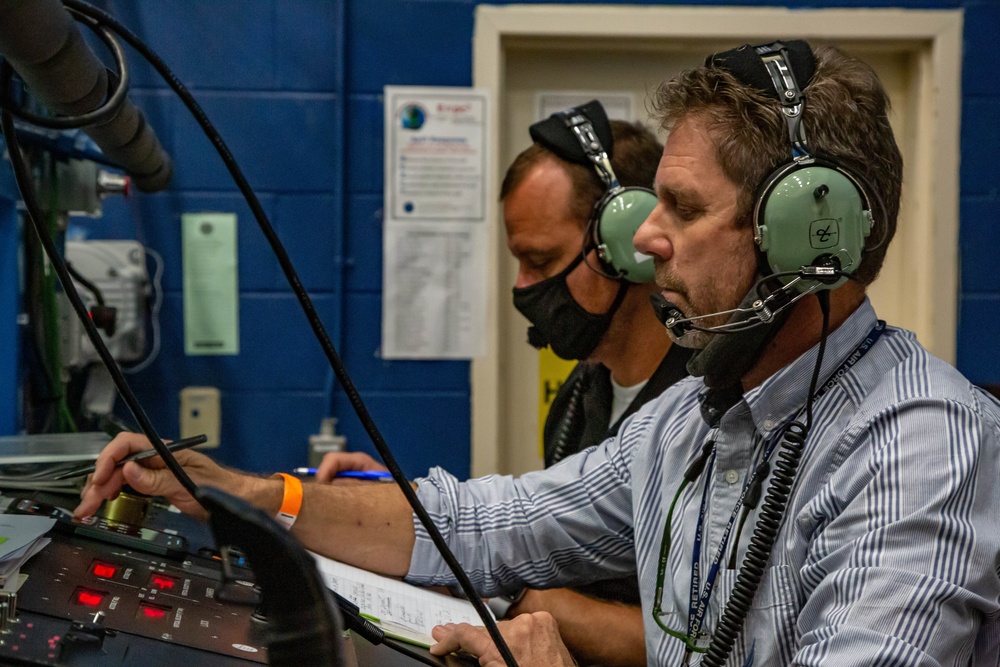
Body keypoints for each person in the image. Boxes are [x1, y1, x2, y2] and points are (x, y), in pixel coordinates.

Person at [76, 41, 1000, 666]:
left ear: (810, 236)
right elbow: (486, 524)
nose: (646, 244)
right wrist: (234, 491)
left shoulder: (919, 448)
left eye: (681, 209)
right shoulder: (691, 421)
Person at [315, 115, 691, 666]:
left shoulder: (703, 409)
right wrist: (390, 511)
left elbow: (695, 642)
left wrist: (520, 591)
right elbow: (528, 532)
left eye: (540, 260)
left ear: (628, 247)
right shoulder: (578, 398)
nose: (522, 286)